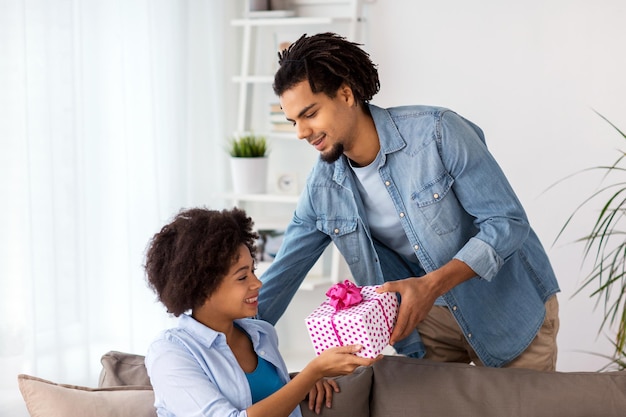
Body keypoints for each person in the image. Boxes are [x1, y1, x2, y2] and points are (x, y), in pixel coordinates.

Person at [257, 32, 560, 371]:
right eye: (293, 121)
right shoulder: (322, 191)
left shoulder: (438, 133)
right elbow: (277, 283)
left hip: (506, 309)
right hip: (429, 326)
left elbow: (506, 223)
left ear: (345, 94)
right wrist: (211, 341)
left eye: (310, 113)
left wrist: (431, 286)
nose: (301, 132)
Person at [143, 207, 378, 417]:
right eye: (242, 277)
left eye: (253, 271)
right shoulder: (170, 353)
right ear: (203, 286)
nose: (258, 284)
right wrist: (312, 374)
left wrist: (299, 383)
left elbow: (262, 395)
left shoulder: (260, 334)